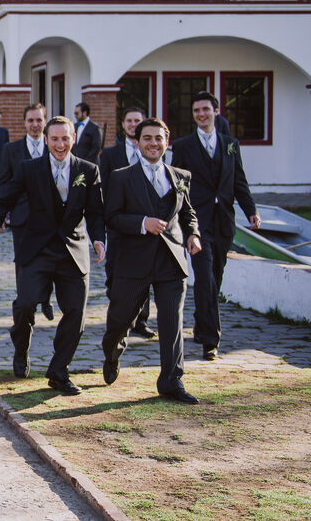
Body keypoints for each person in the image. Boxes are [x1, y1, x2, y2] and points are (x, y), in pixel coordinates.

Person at [0, 116, 105, 396]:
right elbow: (4, 198)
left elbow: (96, 212)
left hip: (73, 249)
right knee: (25, 304)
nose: (60, 144)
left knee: (76, 311)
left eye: (65, 138)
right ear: (46, 140)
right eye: (55, 139)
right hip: (36, 248)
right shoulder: (29, 169)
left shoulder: (88, 170)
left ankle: (59, 371)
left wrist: (98, 239)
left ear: (73, 138)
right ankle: (21, 347)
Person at [102, 118, 202, 404]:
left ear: (166, 142)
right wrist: (142, 222)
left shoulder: (181, 176)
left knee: (172, 322)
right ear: (137, 142)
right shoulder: (121, 176)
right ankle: (112, 351)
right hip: (133, 261)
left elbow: (188, 214)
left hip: (171, 260)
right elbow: (111, 217)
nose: (153, 143)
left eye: (159, 138)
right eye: (147, 138)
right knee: (120, 319)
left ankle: (171, 381)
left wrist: (193, 234)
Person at [169, 91, 259, 361]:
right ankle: (211, 340)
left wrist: (251, 210)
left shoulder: (231, 144)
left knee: (215, 277)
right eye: (196, 110)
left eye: (205, 109)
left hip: (224, 221)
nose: (201, 114)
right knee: (205, 276)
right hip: (196, 221)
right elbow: (178, 186)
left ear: (216, 111)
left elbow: (239, 181)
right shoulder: (184, 146)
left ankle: (200, 321)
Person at [100, 106, 156, 339]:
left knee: (146, 272)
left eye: (137, 121)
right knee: (114, 271)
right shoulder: (110, 155)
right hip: (118, 222)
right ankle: (119, 313)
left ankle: (141, 320)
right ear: (123, 125)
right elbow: (102, 186)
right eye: (129, 121)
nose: (133, 124)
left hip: (144, 223)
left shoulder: (151, 152)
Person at [0, 104, 54, 321]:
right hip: (22, 216)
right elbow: (3, 183)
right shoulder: (11, 150)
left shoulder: (55, 147)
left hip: (50, 217)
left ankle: (45, 298)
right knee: (22, 262)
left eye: (39, 120)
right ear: (24, 123)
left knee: (49, 260)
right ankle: (24, 305)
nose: (35, 125)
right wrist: (1, 213)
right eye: (30, 120)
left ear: (45, 122)